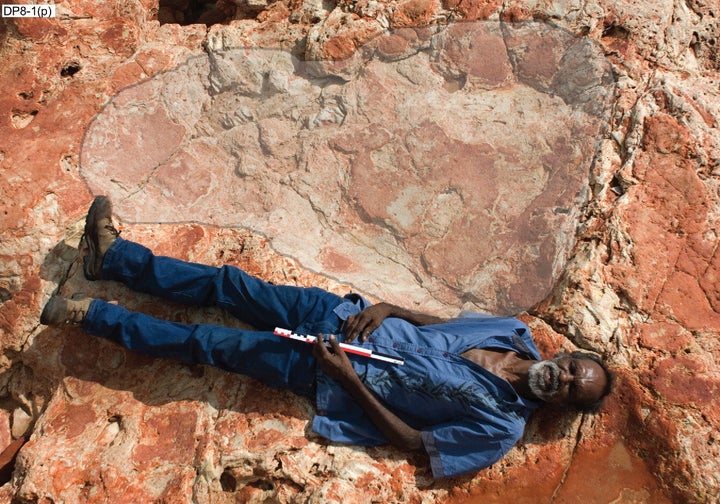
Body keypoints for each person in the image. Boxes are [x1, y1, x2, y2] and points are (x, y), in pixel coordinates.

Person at [40, 196, 614, 479]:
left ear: (563, 406)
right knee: (228, 284)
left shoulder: (501, 430)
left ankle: (90, 316)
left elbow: (416, 443)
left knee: (208, 345)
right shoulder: (514, 332)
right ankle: (115, 258)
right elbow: (443, 327)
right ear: (566, 355)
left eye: (571, 391)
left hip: (326, 369)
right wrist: (390, 306)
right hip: (340, 314)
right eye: (571, 369)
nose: (561, 379)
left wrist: (347, 381)